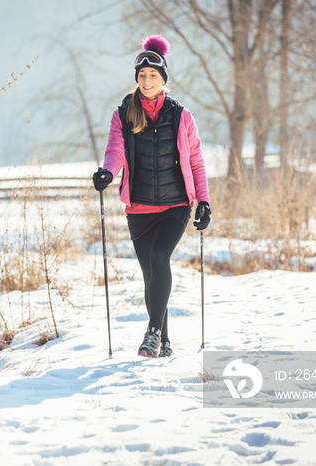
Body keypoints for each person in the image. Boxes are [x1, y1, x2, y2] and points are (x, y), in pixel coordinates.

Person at [93, 35, 211, 358]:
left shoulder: (180, 115)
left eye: (153, 76)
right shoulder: (123, 114)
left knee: (160, 259)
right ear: (137, 78)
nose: (147, 81)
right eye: (142, 75)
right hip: (139, 207)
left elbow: (196, 162)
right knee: (151, 276)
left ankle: (153, 333)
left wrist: (204, 201)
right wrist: (108, 172)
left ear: (163, 79)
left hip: (176, 205)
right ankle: (166, 342)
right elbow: (115, 150)